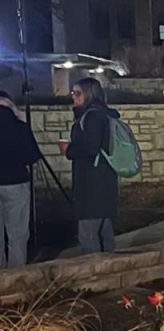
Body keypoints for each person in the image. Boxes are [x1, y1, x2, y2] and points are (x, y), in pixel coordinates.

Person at [60, 77, 120, 254]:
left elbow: (91, 147)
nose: (74, 97)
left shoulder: (93, 116)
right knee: (104, 231)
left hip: (92, 184)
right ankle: (112, 272)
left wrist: (69, 149)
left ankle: (95, 277)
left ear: (89, 94)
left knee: (88, 235)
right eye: (73, 93)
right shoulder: (104, 114)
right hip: (104, 179)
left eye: (77, 93)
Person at [0, 91, 40, 268]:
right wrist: (22, 117)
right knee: (17, 233)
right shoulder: (18, 125)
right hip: (16, 181)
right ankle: (16, 277)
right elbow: (31, 156)